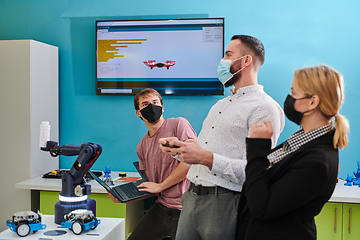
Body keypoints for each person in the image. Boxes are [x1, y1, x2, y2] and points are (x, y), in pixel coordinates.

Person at [159, 35, 285, 240]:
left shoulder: (265, 108)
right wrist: (180, 150)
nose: (222, 61)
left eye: (228, 55)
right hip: (191, 198)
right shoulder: (221, 105)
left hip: (225, 202)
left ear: (246, 61)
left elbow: (256, 172)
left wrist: (205, 158)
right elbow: (202, 153)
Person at [236, 64, 350, 240]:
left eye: (293, 93)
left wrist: (258, 147)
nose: (289, 98)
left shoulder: (317, 161)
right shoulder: (301, 141)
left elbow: (262, 208)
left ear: (313, 102)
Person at [107, 88, 197, 240]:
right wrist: (124, 196)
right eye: (145, 104)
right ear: (138, 113)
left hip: (186, 207)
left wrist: (160, 186)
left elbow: (191, 161)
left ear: (162, 107)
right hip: (162, 206)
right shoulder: (141, 146)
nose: (151, 106)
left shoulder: (178, 124)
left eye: (155, 102)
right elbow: (152, 186)